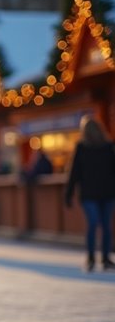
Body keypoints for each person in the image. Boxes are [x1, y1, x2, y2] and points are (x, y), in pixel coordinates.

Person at [64, 116, 115, 272]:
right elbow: (75, 172)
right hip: (101, 193)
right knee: (103, 225)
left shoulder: (107, 147)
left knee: (96, 224)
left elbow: (74, 174)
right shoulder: (88, 148)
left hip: (98, 193)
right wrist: (69, 193)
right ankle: (99, 257)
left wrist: (69, 194)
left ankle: (98, 257)